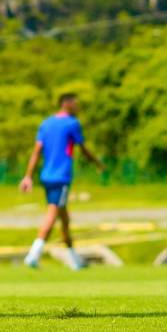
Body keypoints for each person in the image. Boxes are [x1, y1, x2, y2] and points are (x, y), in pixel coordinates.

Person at [20, 92, 105, 269]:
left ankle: (74, 260)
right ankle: (33, 255)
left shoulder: (46, 123)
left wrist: (28, 175)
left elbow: (36, 152)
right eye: (76, 104)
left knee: (64, 219)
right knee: (52, 213)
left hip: (46, 176)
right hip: (61, 176)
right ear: (66, 104)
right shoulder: (72, 124)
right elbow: (83, 149)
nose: (78, 107)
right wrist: (98, 164)